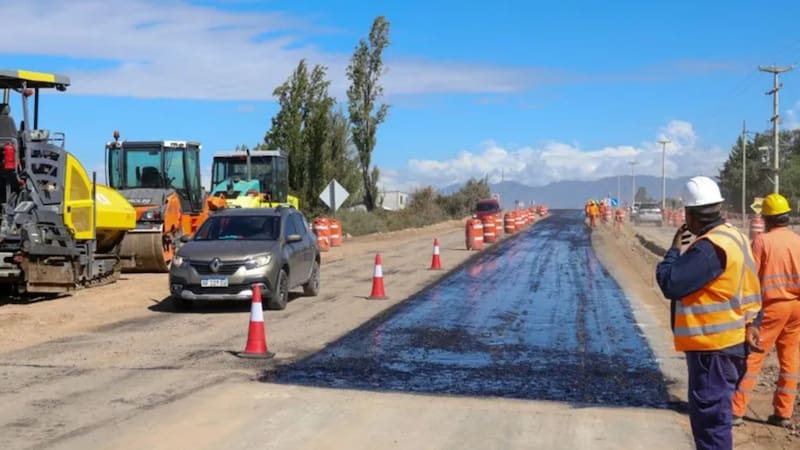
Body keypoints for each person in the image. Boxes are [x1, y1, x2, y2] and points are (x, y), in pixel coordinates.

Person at [656, 176, 763, 450]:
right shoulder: (735, 237)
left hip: (712, 350)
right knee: (716, 421)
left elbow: (670, 282)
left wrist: (674, 250)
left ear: (690, 215)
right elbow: (751, 289)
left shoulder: (709, 248)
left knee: (711, 427)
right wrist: (754, 322)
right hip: (730, 345)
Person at [732, 193, 800, 428]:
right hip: (796, 307)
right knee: (790, 360)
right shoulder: (798, 241)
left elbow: (750, 277)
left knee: (752, 357)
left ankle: (735, 410)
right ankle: (783, 413)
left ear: (767, 218)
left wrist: (747, 313)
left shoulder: (762, 242)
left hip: (771, 308)